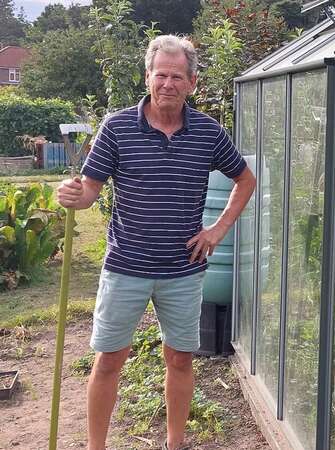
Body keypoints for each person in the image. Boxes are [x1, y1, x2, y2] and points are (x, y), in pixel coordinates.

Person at [56, 35, 256, 450]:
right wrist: (76, 195)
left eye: (177, 76)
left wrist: (218, 230)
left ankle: (175, 443)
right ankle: (96, 447)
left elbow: (245, 179)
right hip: (125, 266)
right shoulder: (117, 127)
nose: (168, 83)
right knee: (110, 358)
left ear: (192, 83)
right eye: (160, 74)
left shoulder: (207, 132)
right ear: (147, 77)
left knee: (181, 358)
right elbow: (91, 190)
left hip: (183, 270)